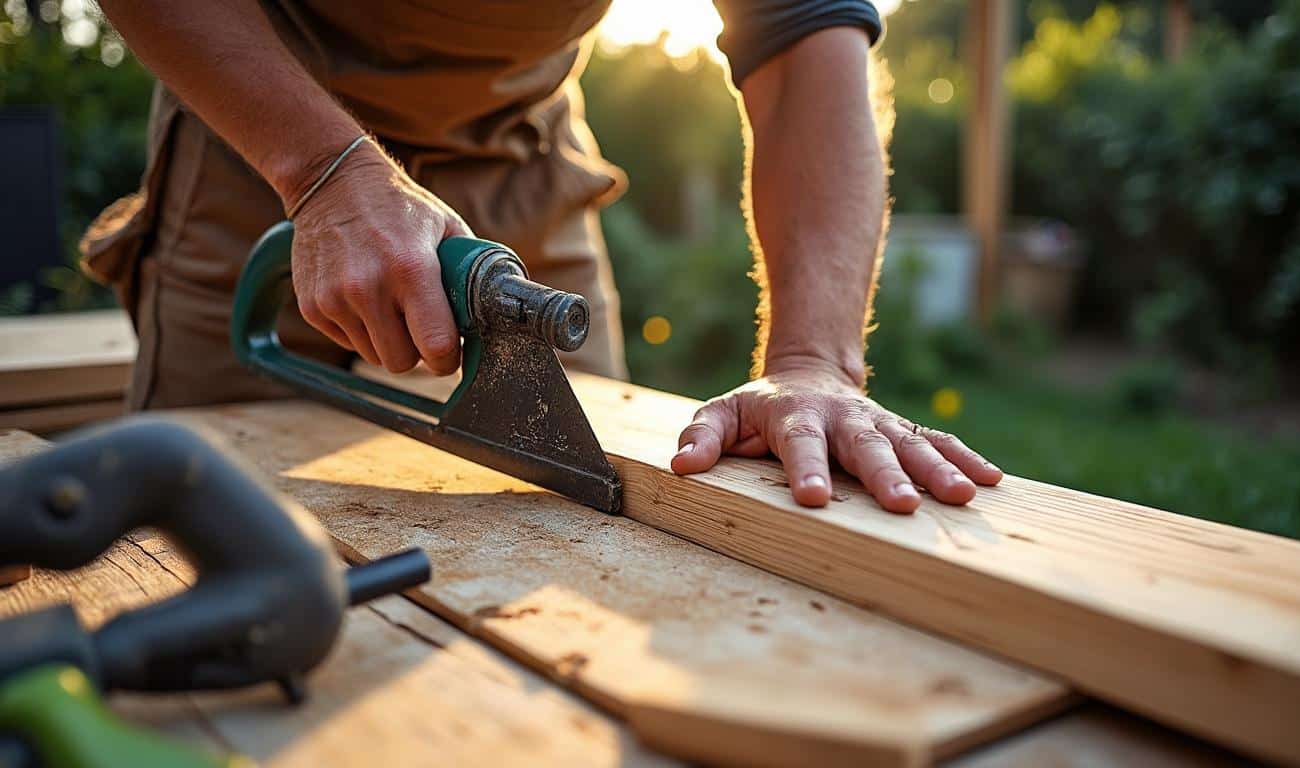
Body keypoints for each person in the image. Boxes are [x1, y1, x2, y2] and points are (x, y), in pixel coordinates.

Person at [83, 0, 1002, 514]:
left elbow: (806, 43)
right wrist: (322, 170)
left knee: (595, 512)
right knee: (197, 515)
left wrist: (813, 359)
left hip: (517, 150)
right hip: (263, 133)